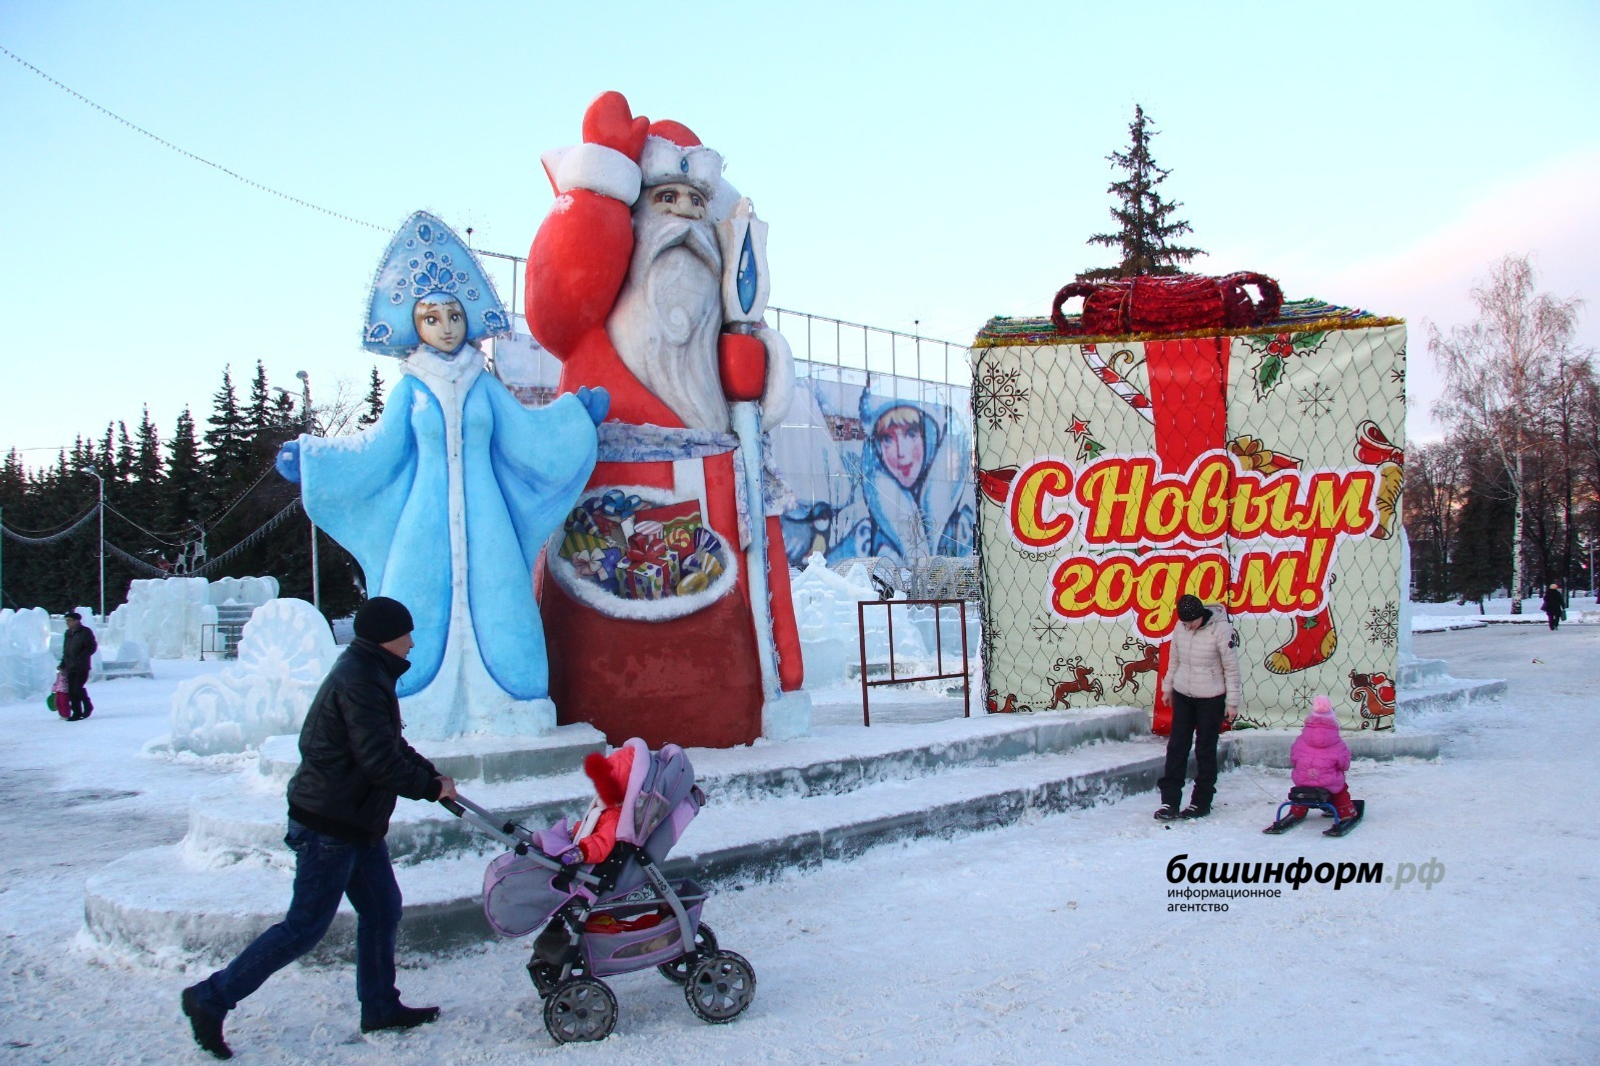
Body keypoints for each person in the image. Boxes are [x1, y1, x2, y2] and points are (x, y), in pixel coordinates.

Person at [181, 597, 459, 1060]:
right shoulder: (360, 680)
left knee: (382, 908)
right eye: (406, 633)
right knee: (304, 927)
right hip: (330, 824)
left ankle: (380, 1007)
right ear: (387, 637)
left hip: (354, 821)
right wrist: (429, 788)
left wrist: (431, 775)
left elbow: (390, 743)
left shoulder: (368, 673)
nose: (412, 641)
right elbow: (377, 760)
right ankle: (209, 998)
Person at [1156, 594, 1241, 820]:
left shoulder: (1221, 630)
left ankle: (1201, 802)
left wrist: (1232, 702)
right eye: (1184, 623)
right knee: (1177, 747)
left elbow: (1231, 668)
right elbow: (1174, 659)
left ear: (1201, 616)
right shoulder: (1181, 627)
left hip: (1211, 697)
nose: (1187, 626)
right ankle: (1169, 802)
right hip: (1184, 693)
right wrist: (1168, 688)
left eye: (1191, 622)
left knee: (1205, 749)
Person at [1287, 695, 1357, 821]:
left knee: (1303, 786)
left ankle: (1297, 811)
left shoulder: (1300, 740)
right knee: (1340, 789)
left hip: (1302, 780)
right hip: (1327, 782)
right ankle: (1346, 812)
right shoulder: (1338, 744)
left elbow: (1293, 759)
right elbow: (1344, 766)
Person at [58, 611, 97, 722]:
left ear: (77, 621)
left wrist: (81, 657)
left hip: (81, 666)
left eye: (70, 620)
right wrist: (62, 663)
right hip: (70, 666)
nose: (68, 623)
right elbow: (66, 650)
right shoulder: (68, 633)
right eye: (66, 621)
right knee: (71, 690)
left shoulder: (85, 632)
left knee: (77, 688)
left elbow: (92, 647)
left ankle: (87, 706)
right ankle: (76, 712)